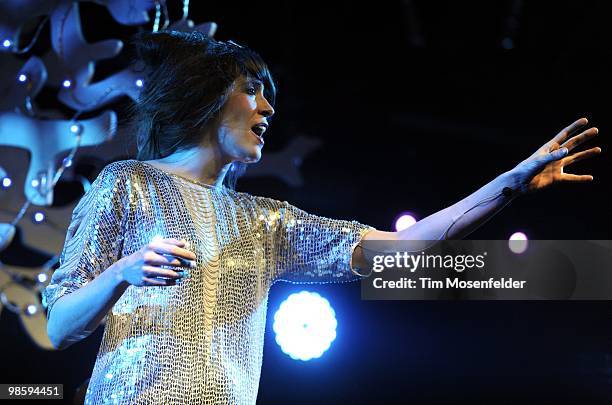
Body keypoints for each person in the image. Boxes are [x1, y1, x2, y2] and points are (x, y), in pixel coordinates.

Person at [43, 31, 601, 404]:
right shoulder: (127, 184)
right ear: (206, 98)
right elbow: (60, 326)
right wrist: (121, 273)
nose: (267, 109)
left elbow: (397, 252)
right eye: (252, 91)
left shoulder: (264, 223)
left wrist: (511, 184)